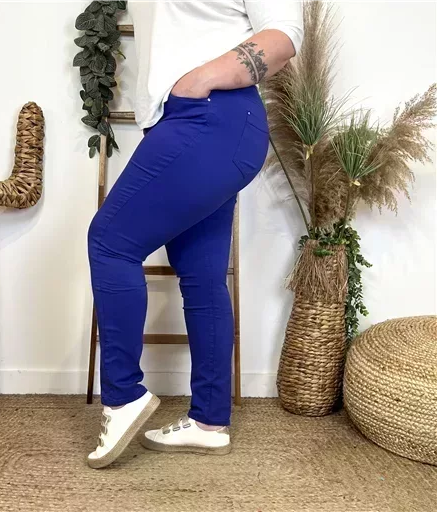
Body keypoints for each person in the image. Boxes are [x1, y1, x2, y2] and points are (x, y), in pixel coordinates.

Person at [87, 0, 304, 469]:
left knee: (110, 242)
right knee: (202, 276)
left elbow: (284, 36)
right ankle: (208, 422)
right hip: (195, 121)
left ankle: (122, 396)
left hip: (209, 116)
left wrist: (197, 82)